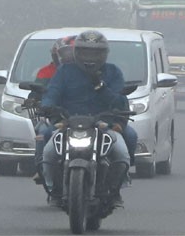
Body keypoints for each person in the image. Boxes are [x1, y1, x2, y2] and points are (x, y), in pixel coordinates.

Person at [41, 30, 131, 208]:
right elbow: (53, 92)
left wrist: (100, 87)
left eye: (95, 53)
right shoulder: (65, 71)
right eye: (85, 52)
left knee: (121, 153)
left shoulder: (113, 72)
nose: (90, 57)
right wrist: (47, 105)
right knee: (48, 152)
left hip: (104, 124)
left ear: (104, 54)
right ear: (77, 52)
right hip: (68, 122)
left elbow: (119, 100)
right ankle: (55, 190)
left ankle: (114, 191)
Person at [29, 35, 76, 184]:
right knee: (44, 132)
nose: (67, 58)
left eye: (72, 54)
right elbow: (40, 94)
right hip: (57, 118)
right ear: (55, 54)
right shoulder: (47, 72)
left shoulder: (88, 73)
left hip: (85, 118)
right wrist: (37, 101)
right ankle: (43, 169)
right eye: (64, 54)